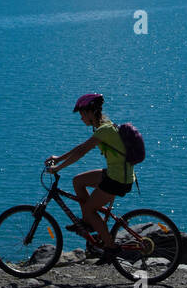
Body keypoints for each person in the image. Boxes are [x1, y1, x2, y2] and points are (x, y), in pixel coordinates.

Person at [45, 93, 135, 263]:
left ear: (91, 112)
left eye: (82, 114)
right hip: (115, 173)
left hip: (117, 179)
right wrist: (58, 158)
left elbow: (81, 151)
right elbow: (81, 147)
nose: (81, 118)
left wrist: (58, 167)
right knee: (78, 181)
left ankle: (110, 247)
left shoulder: (105, 129)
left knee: (89, 209)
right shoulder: (103, 127)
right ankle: (88, 223)